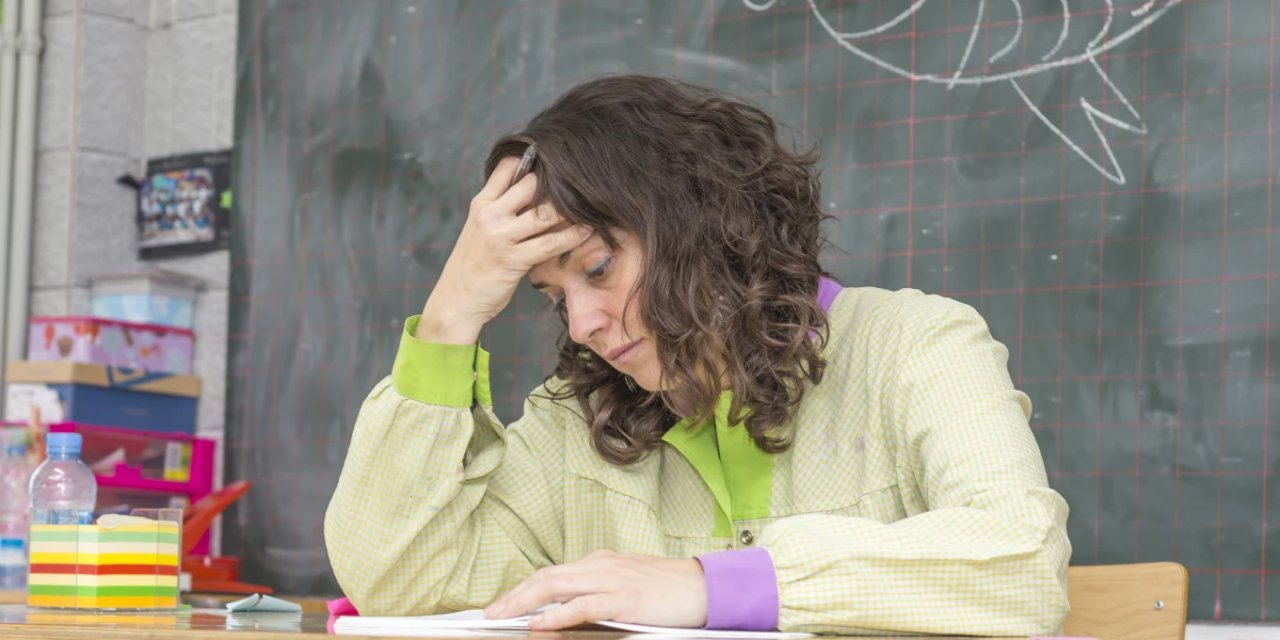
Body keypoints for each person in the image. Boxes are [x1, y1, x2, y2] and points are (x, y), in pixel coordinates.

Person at [325, 74, 1071, 635]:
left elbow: (1021, 560)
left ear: (699, 223)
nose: (581, 325)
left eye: (597, 269)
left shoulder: (917, 345)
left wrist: (711, 587)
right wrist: (451, 316)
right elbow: (401, 580)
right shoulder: (573, 424)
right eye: (553, 296)